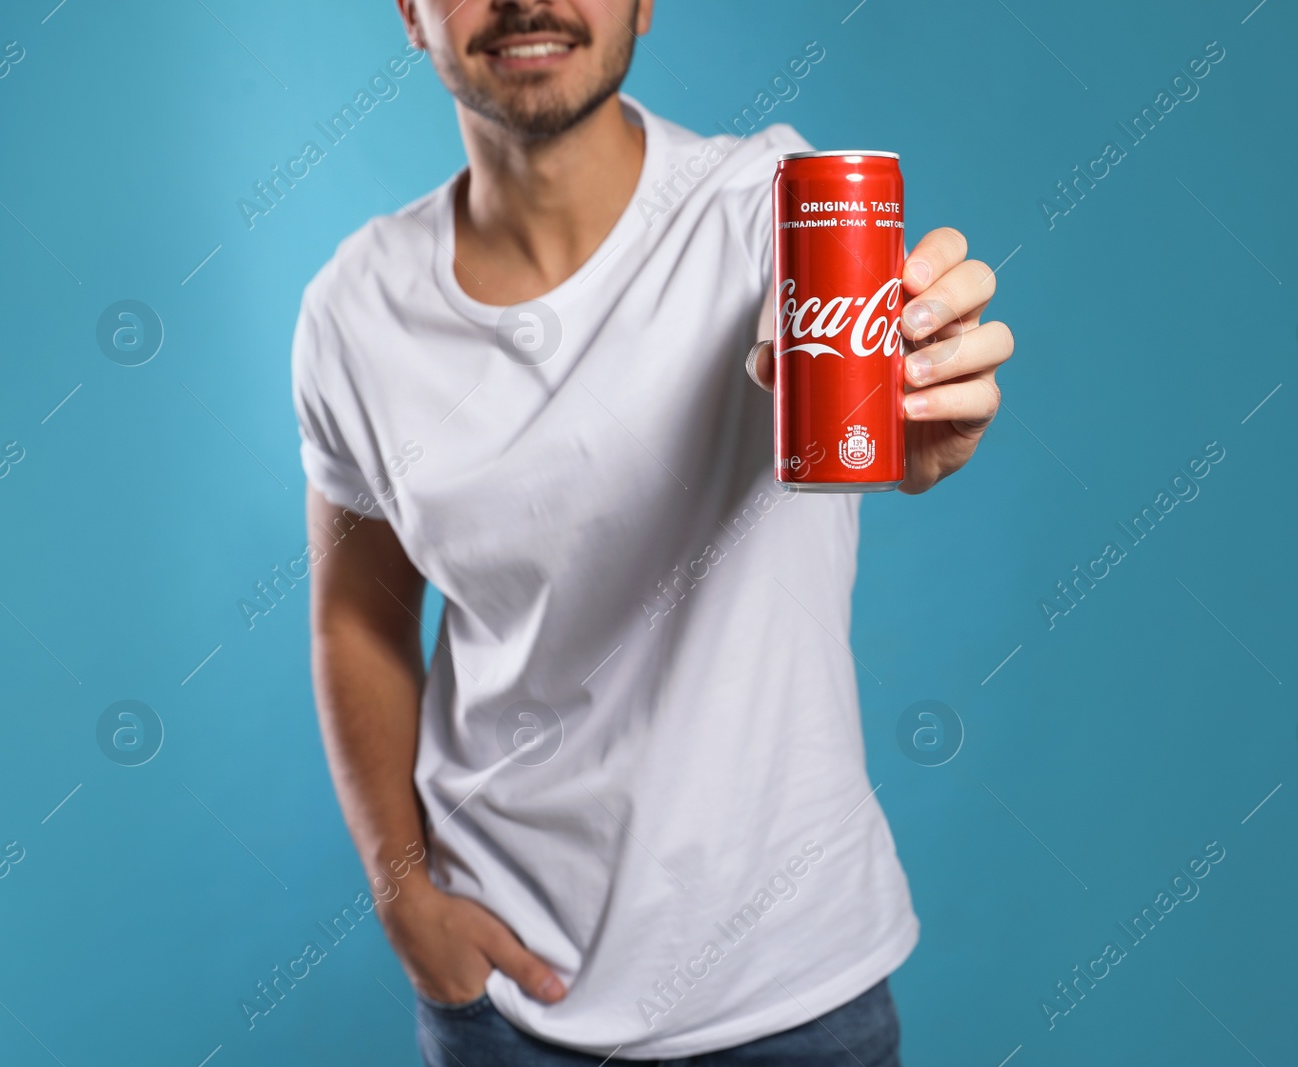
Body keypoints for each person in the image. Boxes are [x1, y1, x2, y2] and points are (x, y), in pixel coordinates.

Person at [292, 1, 1013, 1063]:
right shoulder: (354, 307)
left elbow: (866, 374)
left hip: (798, 998)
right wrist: (403, 894)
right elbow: (358, 617)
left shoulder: (768, 206)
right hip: (505, 1003)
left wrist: (918, 402)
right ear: (411, 12)